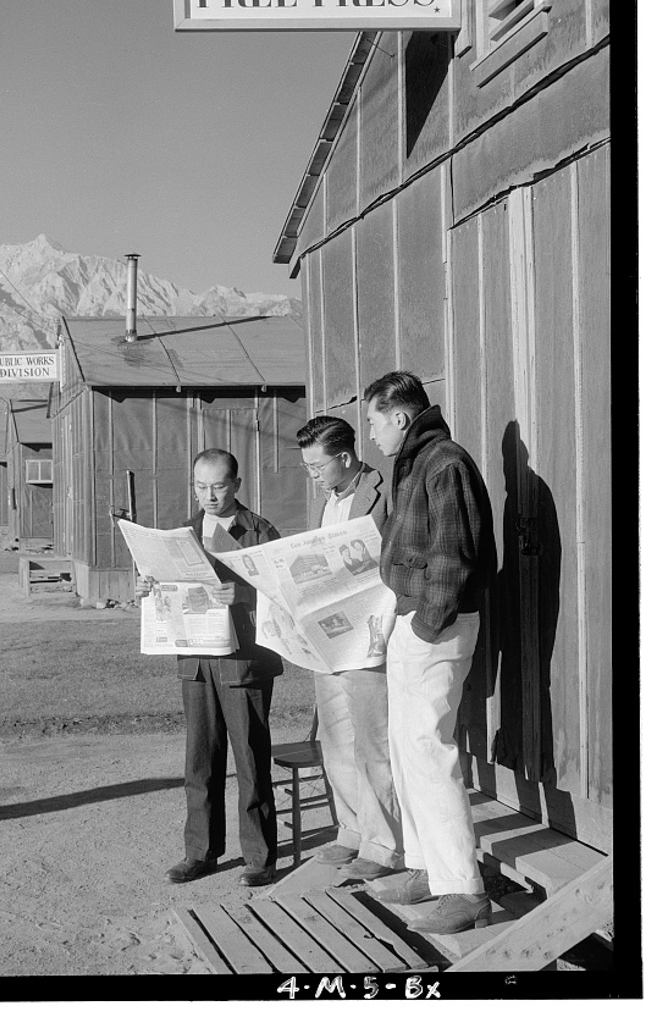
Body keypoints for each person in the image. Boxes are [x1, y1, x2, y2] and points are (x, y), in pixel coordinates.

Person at [363, 371, 497, 933]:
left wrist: (425, 624)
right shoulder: (417, 461)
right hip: (415, 621)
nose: (369, 434)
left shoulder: (444, 462)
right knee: (407, 748)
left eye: (372, 422)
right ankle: (425, 867)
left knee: (428, 748)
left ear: (399, 417)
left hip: (434, 626)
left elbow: (452, 556)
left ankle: (464, 891)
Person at [136, 449, 282, 888]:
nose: (209, 496)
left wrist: (244, 596)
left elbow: (284, 594)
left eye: (218, 486)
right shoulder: (181, 534)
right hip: (196, 660)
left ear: (236, 484)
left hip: (244, 662)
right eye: (201, 487)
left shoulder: (260, 532)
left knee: (251, 760)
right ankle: (199, 852)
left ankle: (259, 857)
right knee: (200, 760)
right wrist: (147, 585)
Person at [297, 415, 402, 881]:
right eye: (307, 468)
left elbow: (396, 558)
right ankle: (351, 831)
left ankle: (384, 846)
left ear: (345, 457)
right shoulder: (325, 498)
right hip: (328, 637)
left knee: (372, 742)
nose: (313, 476)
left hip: (368, 636)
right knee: (334, 739)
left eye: (318, 467)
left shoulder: (385, 490)